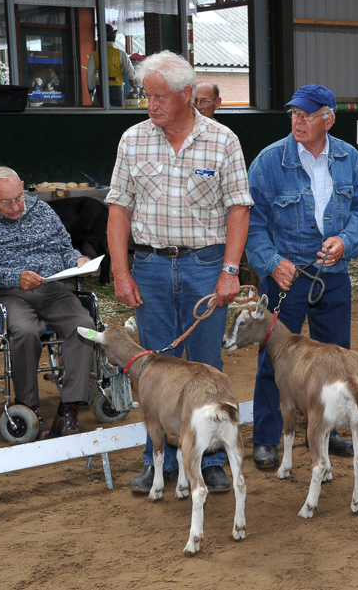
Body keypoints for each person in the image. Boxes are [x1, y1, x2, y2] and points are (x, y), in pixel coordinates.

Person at [105, 50, 253, 493]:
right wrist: (120, 271)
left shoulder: (223, 140)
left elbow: (238, 210)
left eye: (158, 96)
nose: (150, 104)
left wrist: (230, 270)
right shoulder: (132, 140)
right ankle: (159, 461)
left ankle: (208, 461)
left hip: (206, 266)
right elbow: (118, 209)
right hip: (149, 265)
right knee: (152, 371)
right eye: (146, 95)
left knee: (207, 368)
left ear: (188, 95)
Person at [244, 83, 358, 470]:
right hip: (285, 277)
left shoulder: (349, 159)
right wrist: (271, 262)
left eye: (306, 115)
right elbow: (252, 222)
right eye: (294, 114)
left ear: (328, 119)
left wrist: (346, 240)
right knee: (275, 361)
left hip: (332, 275)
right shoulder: (269, 161)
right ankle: (267, 437)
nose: (298, 121)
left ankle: (329, 429)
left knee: (335, 360)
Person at [0, 165, 94, 439]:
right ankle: (28, 406)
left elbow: (64, 248)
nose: (15, 207)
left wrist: (78, 260)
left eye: (19, 197)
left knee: (84, 326)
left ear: (22, 185)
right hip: (7, 292)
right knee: (25, 330)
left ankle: (69, 408)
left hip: (52, 286)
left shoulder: (41, 210)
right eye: (5, 202)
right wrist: (14, 277)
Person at [87, 24, 135, 107]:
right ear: (114, 37)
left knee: (101, 112)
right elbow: (131, 74)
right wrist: (133, 88)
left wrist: (91, 91)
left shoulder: (94, 55)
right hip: (117, 89)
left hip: (100, 88)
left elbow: (90, 75)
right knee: (117, 114)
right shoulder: (121, 54)